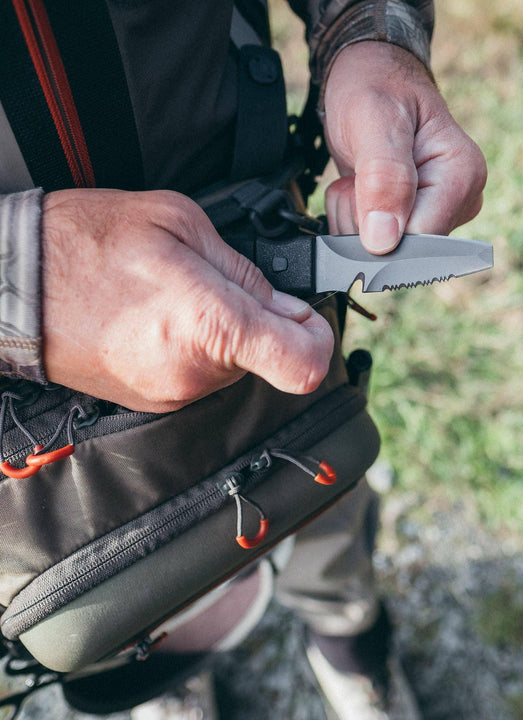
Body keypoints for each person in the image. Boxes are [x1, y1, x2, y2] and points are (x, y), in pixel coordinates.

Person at [0, 1, 486, 718]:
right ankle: (163, 678)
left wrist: (371, 33)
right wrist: (25, 276)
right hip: (35, 427)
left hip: (252, 223)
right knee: (117, 587)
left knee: (323, 494)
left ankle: (350, 637)